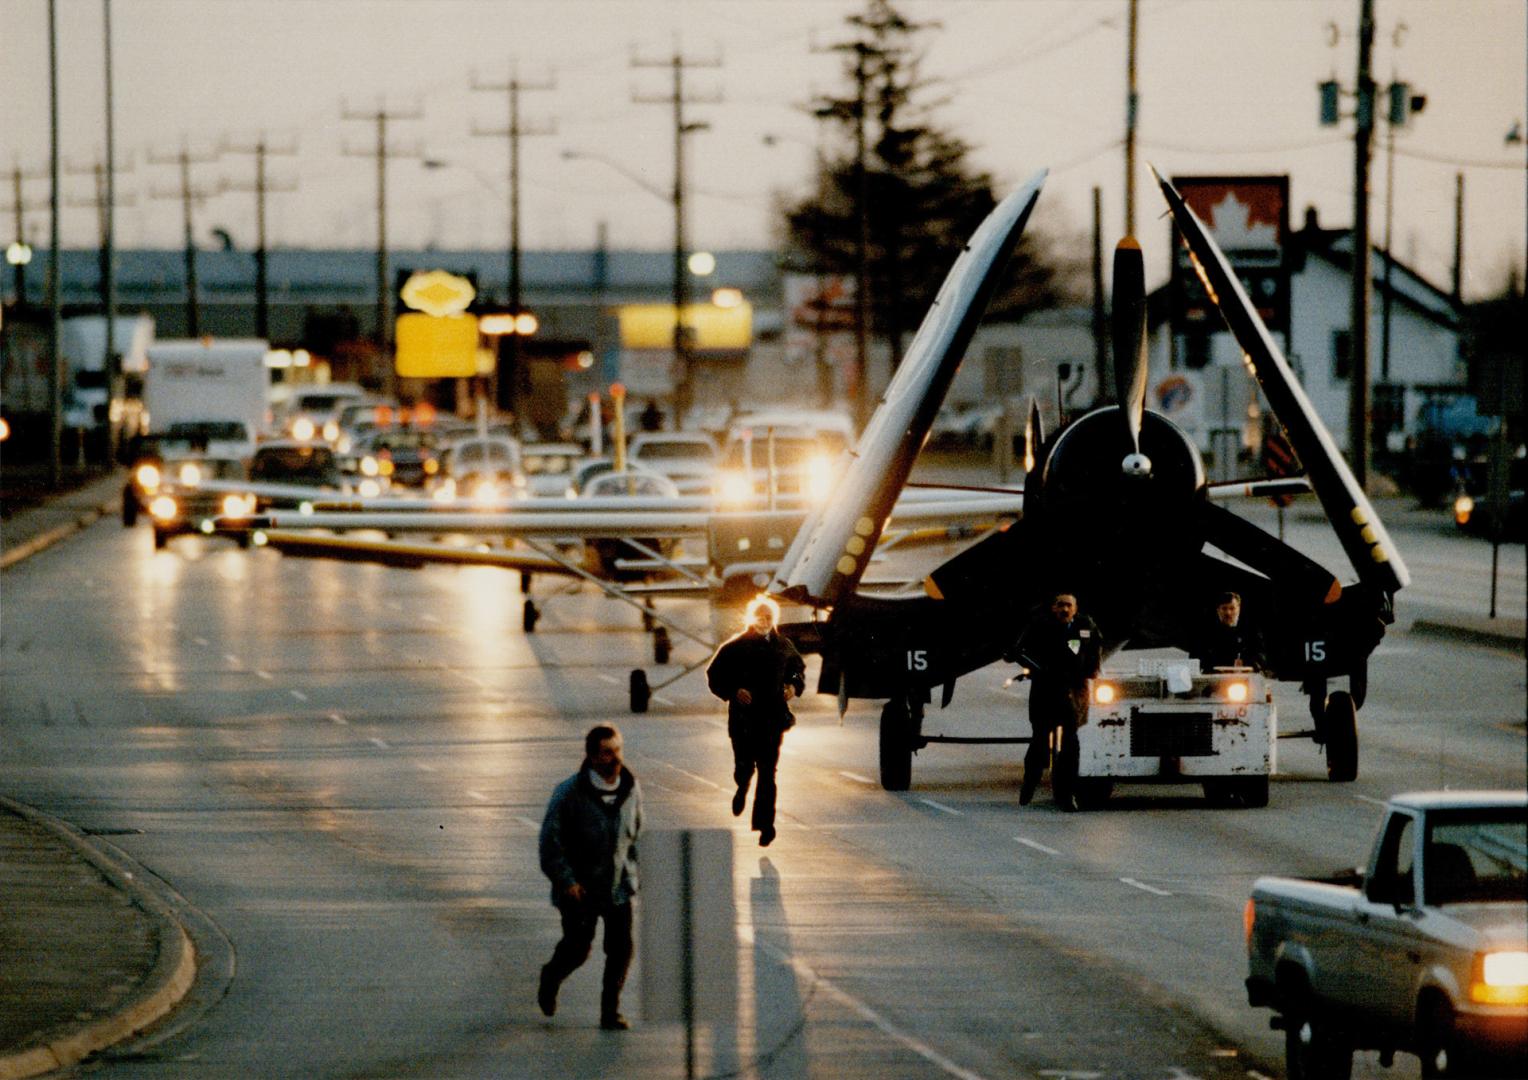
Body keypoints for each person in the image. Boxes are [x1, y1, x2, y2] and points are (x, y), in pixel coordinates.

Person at [537, 724, 642, 1031]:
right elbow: (549, 843)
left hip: (617, 887)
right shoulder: (569, 793)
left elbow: (636, 834)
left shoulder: (630, 789)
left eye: (618, 750)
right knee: (578, 948)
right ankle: (551, 976)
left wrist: (633, 875)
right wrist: (566, 881)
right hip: (580, 888)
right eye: (608, 752)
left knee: (621, 949)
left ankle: (610, 1011)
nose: (615, 758)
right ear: (593, 757)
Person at [706, 596, 806, 847]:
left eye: (769, 617)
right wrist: (733, 691)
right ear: (752, 618)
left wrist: (793, 686)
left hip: (772, 719)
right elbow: (714, 675)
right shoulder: (734, 647)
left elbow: (797, 669)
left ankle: (765, 825)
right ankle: (741, 788)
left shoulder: (783, 645)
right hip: (743, 720)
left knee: (768, 773)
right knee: (745, 767)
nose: (764, 621)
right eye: (760, 617)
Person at [1009, 592, 1102, 811]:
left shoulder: (1085, 626)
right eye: (1060, 605)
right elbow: (1017, 650)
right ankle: (1029, 783)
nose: (1064, 609)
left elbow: (1095, 647)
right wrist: (1036, 669)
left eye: (1069, 605)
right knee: (1040, 743)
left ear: (1075, 609)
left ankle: (1067, 796)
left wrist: (1091, 671)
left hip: (1072, 695)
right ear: (1053, 608)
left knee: (1071, 746)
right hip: (1045, 692)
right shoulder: (1039, 626)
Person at [1194, 591, 1265, 671]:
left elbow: (1260, 655)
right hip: (1214, 676)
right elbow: (1196, 658)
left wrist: (1246, 663)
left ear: (1239, 609)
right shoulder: (1206, 632)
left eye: (1232, 608)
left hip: (1243, 677)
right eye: (1224, 608)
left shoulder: (1251, 630)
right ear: (1218, 610)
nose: (1228, 613)